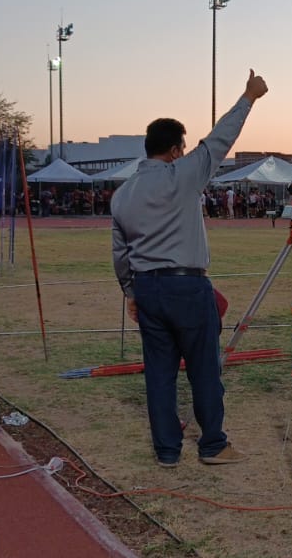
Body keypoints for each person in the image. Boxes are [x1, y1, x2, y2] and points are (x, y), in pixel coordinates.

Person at [110, 69, 268, 468]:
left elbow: (119, 252)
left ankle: (167, 450)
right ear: (177, 150)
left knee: (159, 374)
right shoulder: (182, 175)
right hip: (186, 286)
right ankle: (213, 444)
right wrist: (249, 96)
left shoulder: (122, 194)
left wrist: (131, 292)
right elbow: (219, 140)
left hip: (147, 289)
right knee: (203, 369)